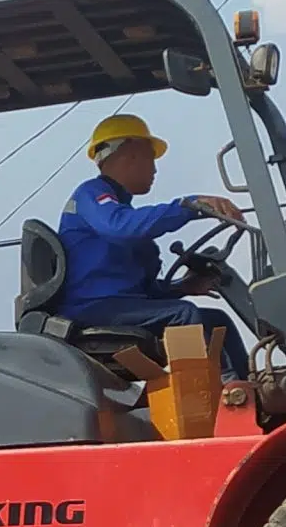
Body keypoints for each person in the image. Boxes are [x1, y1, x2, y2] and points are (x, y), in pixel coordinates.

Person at [57, 114, 253, 380]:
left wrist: (181, 288)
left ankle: (246, 386)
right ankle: (220, 394)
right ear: (131, 153)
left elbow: (141, 291)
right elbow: (122, 227)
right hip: (91, 308)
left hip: (117, 306)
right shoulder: (91, 195)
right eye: (151, 158)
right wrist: (189, 205)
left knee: (217, 321)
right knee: (184, 315)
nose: (155, 170)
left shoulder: (119, 212)